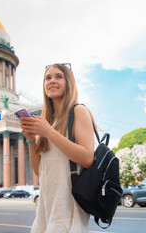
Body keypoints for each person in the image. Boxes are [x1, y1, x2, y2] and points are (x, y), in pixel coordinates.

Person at [20, 63, 96, 232]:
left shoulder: (78, 111)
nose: (52, 81)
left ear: (69, 83)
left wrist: (49, 132)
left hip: (68, 207)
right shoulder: (47, 121)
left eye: (58, 77)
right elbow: (39, 170)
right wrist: (31, 140)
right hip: (46, 208)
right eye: (48, 78)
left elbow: (87, 158)